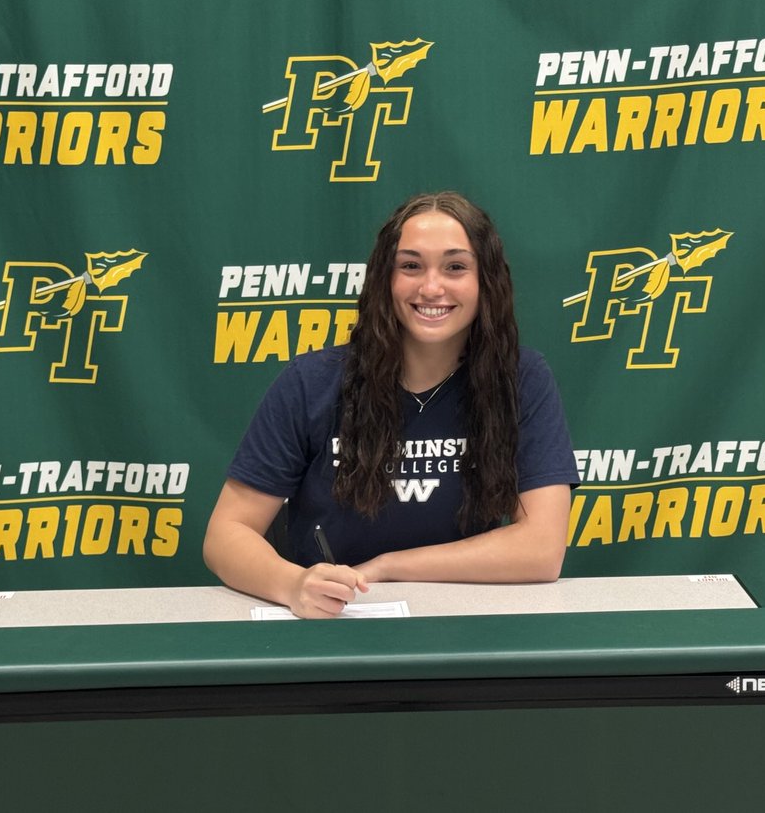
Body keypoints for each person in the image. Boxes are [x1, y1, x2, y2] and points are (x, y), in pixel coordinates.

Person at [202, 191, 578, 618]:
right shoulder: (311, 382)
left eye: (455, 267)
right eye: (410, 266)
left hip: (467, 624)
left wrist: (388, 567)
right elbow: (227, 533)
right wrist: (292, 584)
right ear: (385, 278)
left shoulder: (521, 379)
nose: (431, 287)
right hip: (334, 620)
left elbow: (541, 549)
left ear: (485, 280)